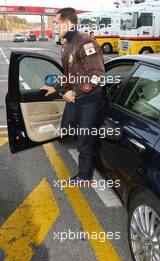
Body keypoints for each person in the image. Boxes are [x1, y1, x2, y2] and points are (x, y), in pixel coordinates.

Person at [41, 7, 105, 184]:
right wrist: (55, 87)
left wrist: (74, 92)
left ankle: (85, 176)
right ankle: (87, 144)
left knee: (83, 140)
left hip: (88, 100)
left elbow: (97, 76)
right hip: (75, 97)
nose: (54, 27)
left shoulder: (86, 43)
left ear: (68, 23)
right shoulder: (68, 44)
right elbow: (70, 74)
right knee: (66, 128)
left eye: (57, 23)